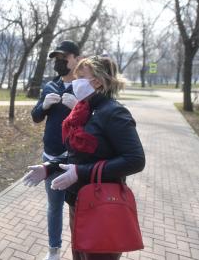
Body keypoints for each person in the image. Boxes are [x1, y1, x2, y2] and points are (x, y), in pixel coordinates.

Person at [23, 55, 145, 260]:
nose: (74, 81)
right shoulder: (84, 109)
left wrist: (80, 172)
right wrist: (50, 167)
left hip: (103, 205)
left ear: (96, 81)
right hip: (79, 202)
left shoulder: (114, 112)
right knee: (79, 255)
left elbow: (135, 159)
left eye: (80, 76)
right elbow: (79, 157)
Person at [29, 40, 80, 260]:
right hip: (50, 157)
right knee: (54, 206)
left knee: (79, 208)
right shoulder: (50, 85)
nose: (60, 62)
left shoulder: (86, 87)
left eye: (64, 58)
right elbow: (36, 117)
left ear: (77, 59)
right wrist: (44, 106)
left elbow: (98, 125)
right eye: (57, 59)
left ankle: (82, 250)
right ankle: (54, 251)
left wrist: (78, 107)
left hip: (77, 161)